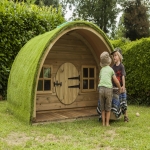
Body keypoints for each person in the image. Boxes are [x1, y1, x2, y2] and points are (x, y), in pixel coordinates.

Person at [98, 51, 121, 126]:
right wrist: (120, 88)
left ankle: (103, 123)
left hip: (101, 89)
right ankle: (107, 123)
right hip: (108, 89)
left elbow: (99, 81)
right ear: (109, 61)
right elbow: (116, 81)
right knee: (108, 107)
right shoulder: (111, 70)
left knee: (102, 106)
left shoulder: (101, 70)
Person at [111, 47, 129, 122]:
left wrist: (123, 86)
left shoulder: (121, 66)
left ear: (119, 56)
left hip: (121, 87)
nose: (114, 57)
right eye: (113, 56)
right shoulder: (112, 67)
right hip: (115, 88)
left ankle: (125, 116)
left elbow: (123, 76)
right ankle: (115, 116)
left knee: (123, 101)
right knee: (115, 102)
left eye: (115, 55)